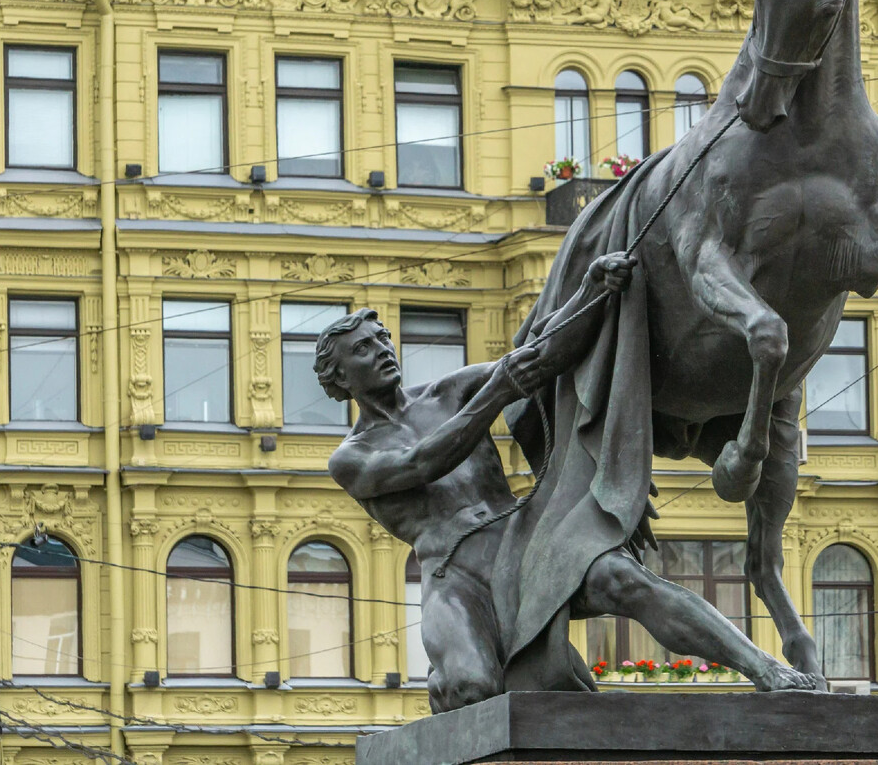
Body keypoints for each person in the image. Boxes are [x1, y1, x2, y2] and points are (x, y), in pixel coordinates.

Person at [315, 252, 814, 713]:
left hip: (521, 538)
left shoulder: (447, 391)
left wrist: (590, 291)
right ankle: (451, 680)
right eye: (363, 349)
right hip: (456, 573)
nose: (382, 350)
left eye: (382, 339)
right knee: (471, 689)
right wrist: (495, 394)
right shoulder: (352, 457)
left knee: (624, 579)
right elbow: (423, 463)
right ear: (339, 379)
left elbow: (542, 356)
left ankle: (765, 669)